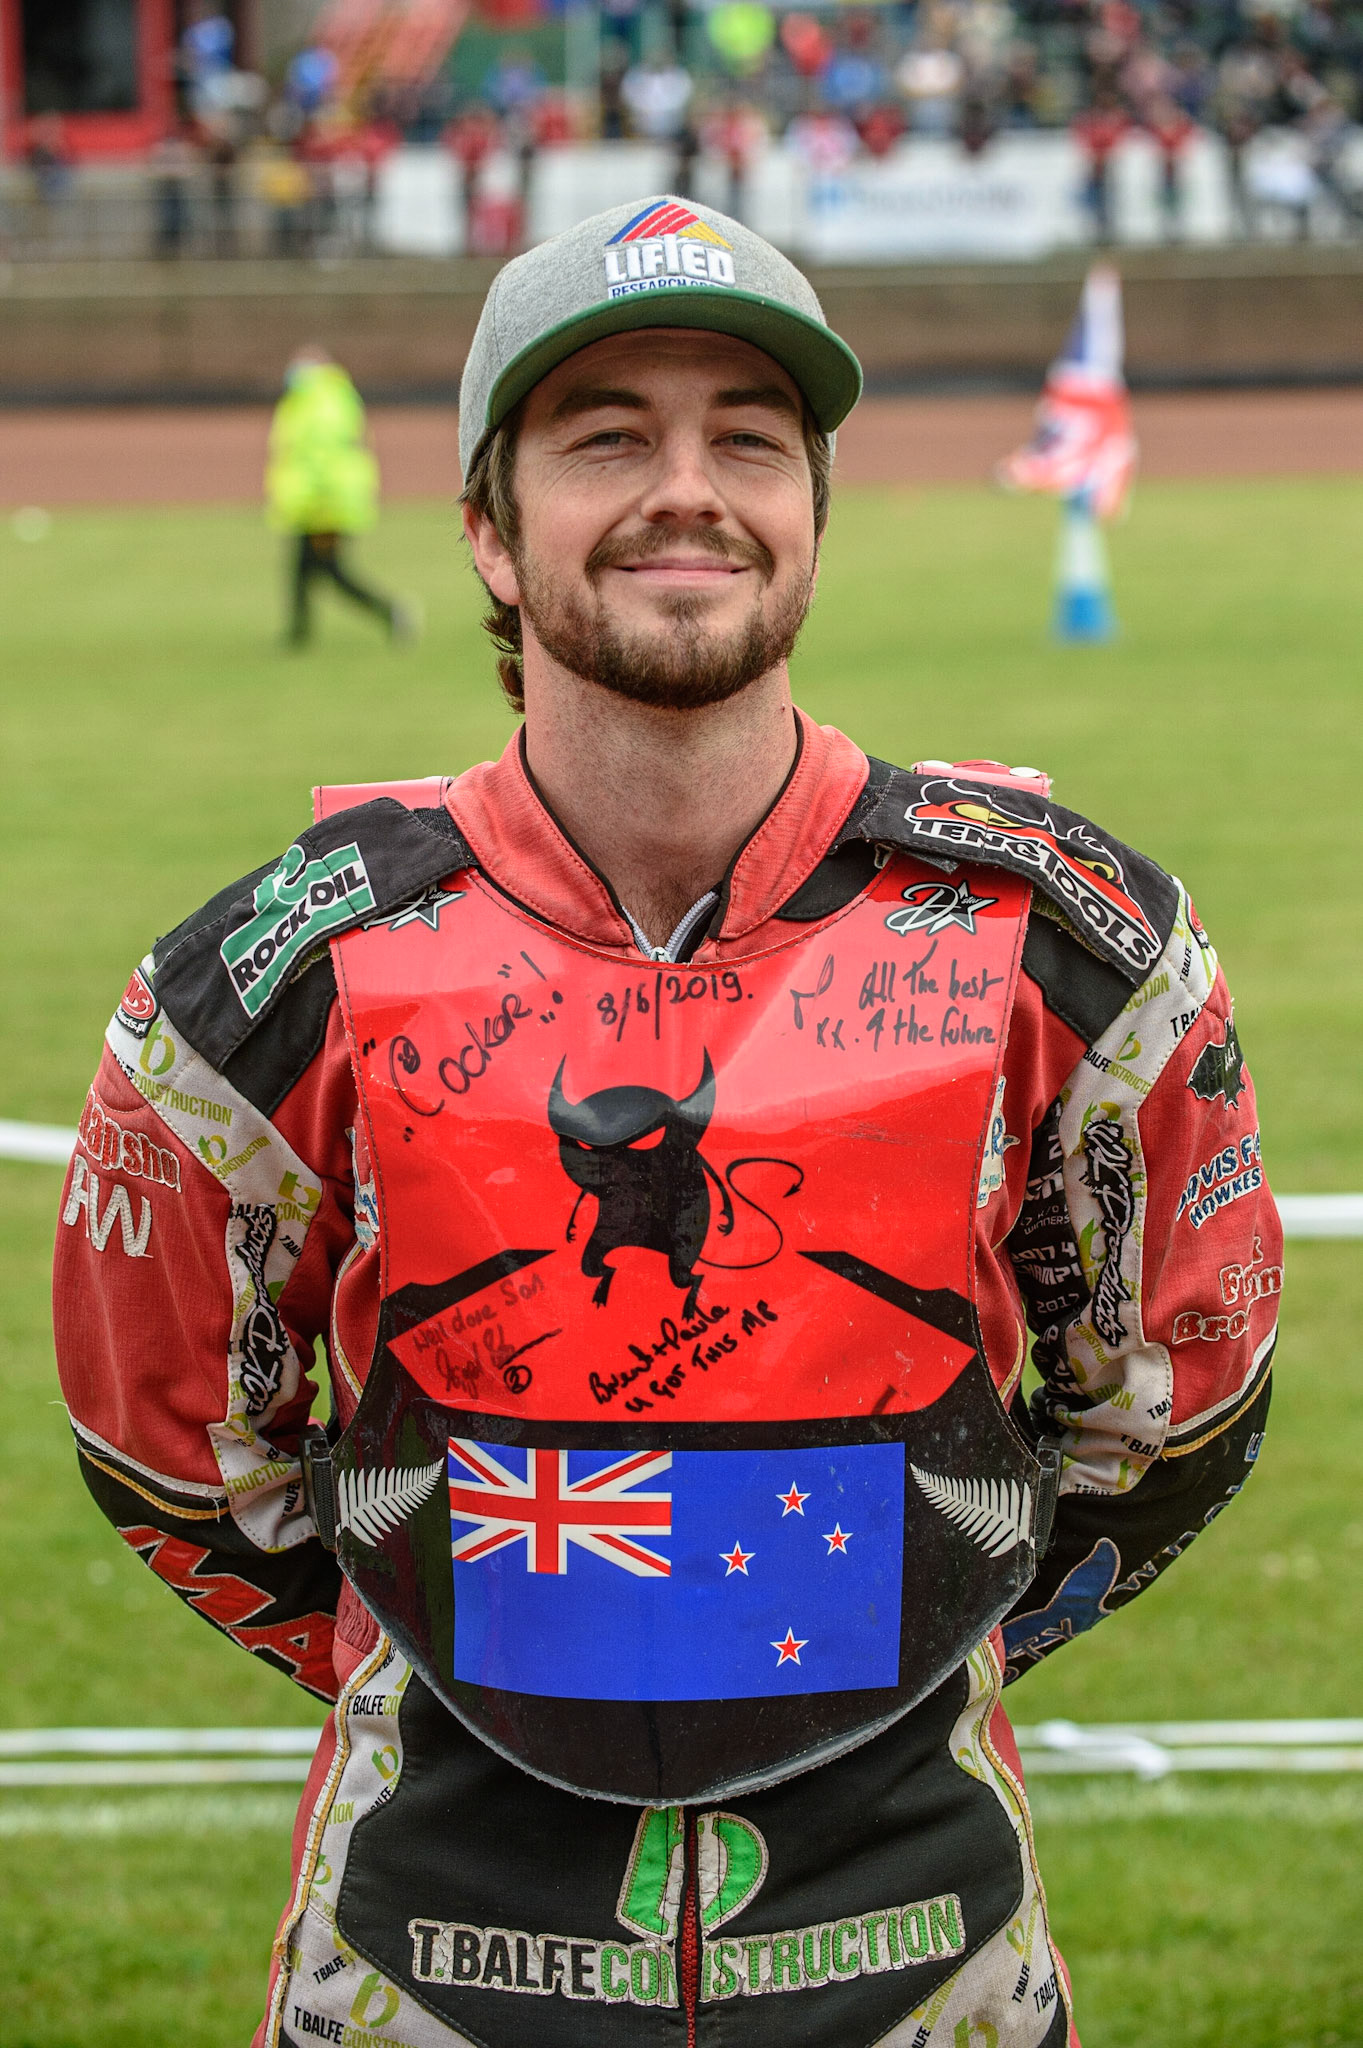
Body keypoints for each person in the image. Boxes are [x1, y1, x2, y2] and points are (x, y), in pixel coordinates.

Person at [53, 197, 1279, 2048]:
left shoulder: (1067, 940)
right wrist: (430, 1642)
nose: (686, 490)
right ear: (487, 523)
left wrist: (917, 1624)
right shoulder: (270, 972)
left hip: (928, 1955)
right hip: (420, 1966)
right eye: (607, 436)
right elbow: (165, 1441)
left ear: (814, 513)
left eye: (748, 439)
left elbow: (1172, 1404)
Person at [265, 347, 415, 646]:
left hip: (324, 505)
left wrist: (320, 503)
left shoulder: (322, 404)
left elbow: (322, 458)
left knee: (329, 570)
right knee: (302, 568)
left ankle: (391, 612)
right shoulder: (315, 401)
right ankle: (298, 633)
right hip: (314, 504)